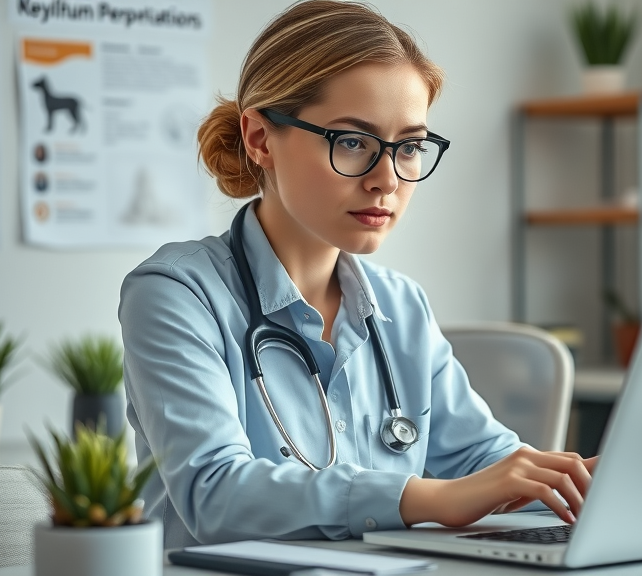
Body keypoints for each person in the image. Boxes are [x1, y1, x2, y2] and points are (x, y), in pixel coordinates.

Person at [118, 0, 595, 549]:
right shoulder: (176, 293)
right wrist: (431, 498)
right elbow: (215, 493)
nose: (386, 180)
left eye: (409, 147)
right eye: (352, 142)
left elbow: (486, 463)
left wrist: (589, 480)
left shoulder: (401, 306)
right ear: (259, 138)